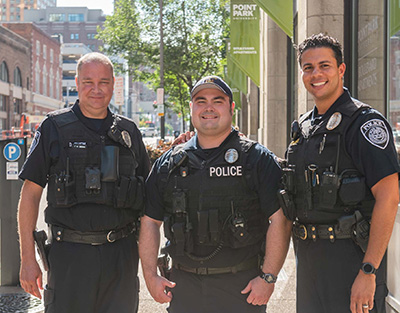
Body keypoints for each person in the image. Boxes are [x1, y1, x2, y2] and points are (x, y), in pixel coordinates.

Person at [139, 75, 292, 313]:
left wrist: (268, 277)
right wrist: (150, 276)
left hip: (241, 289)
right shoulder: (169, 163)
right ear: (192, 108)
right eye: (201, 101)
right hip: (184, 288)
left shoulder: (256, 159)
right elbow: (150, 221)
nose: (208, 107)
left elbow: (280, 219)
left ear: (231, 108)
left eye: (217, 100)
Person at [18, 52, 150, 313]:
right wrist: (26, 258)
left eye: (103, 82)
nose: (96, 90)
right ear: (76, 83)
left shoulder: (128, 132)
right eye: (88, 82)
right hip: (69, 257)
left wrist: (149, 265)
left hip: (120, 257)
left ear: (114, 84)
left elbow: (149, 202)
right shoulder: (54, 128)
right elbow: (30, 195)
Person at [279, 33, 400, 313]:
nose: (316, 74)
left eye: (324, 65)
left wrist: (368, 271)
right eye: (308, 68)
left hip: (352, 261)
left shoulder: (364, 123)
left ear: (341, 69)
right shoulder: (304, 128)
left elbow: (389, 197)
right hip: (310, 265)